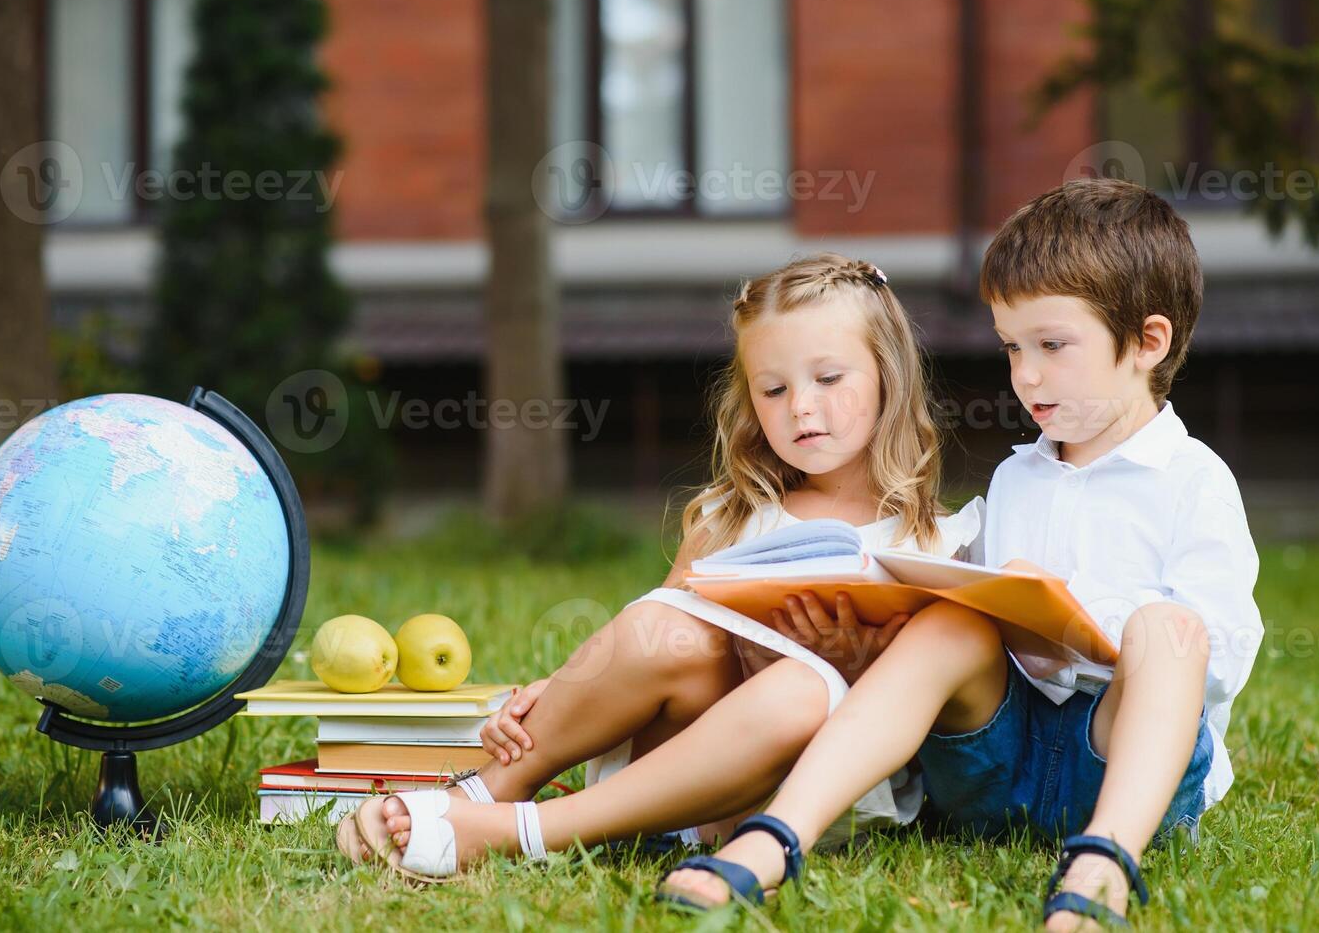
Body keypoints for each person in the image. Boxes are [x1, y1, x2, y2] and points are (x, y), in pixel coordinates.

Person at [657, 179, 1264, 930]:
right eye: (1014, 347)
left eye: (1052, 346)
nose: (1026, 374)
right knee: (952, 623)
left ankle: (1105, 861)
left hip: (1125, 768)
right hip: (997, 769)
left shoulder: (1193, 481)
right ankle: (775, 838)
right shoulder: (1017, 477)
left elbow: (1220, 656)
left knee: (1171, 631)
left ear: (1148, 342)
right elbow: (983, 645)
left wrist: (1091, 627)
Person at [334, 252, 984, 879]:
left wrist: (845, 660)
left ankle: (529, 832)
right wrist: (560, 688)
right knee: (664, 626)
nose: (802, 408)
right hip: (680, 749)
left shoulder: (932, 544)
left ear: (887, 374)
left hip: (798, 782)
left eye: (829, 379)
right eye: (774, 389)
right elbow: (655, 623)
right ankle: (482, 792)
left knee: (798, 693)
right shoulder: (733, 513)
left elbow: (921, 706)